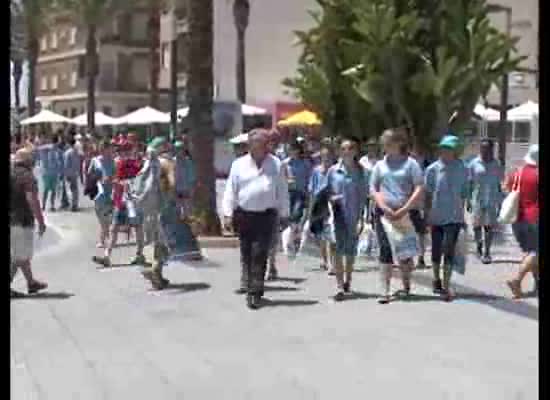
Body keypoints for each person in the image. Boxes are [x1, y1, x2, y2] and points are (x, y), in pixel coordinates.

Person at [222, 129, 290, 309]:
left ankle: (255, 291)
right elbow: (230, 190)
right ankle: (248, 280)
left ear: (267, 145)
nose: (259, 146)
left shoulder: (276, 164)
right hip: (244, 214)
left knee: (260, 253)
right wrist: (228, 213)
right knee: (246, 251)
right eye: (255, 143)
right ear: (249, 145)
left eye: (262, 143)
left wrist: (284, 214)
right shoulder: (238, 164)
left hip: (267, 215)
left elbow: (282, 190)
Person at [370, 128, 424, 304]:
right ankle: (384, 291)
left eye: (389, 143)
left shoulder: (411, 164)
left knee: (405, 251)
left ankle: (406, 284)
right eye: (384, 143)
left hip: (405, 212)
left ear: (399, 143)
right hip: (384, 213)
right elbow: (374, 188)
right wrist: (384, 206)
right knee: (385, 249)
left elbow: (419, 187)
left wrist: (406, 208)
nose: (386, 146)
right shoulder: (379, 165)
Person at [425, 135, 469, 301]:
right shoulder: (432, 169)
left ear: (455, 151)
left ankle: (446, 284)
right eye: (444, 148)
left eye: (449, 149)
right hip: (436, 216)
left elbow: (464, 192)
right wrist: (426, 215)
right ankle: (436, 278)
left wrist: (463, 215)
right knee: (436, 250)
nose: (446, 151)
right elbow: (428, 194)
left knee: (448, 250)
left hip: (454, 217)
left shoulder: (463, 168)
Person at [93, 139, 147, 268]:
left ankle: (139, 255)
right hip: (121, 202)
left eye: (123, 150)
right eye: (120, 150)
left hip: (132, 202)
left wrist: (121, 182)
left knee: (137, 227)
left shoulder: (137, 164)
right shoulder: (119, 163)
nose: (120, 152)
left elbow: (139, 181)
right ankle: (107, 256)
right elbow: (116, 179)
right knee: (114, 228)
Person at [326, 137, 368, 301]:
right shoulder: (333, 171)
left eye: (350, 148)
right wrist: (332, 197)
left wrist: (363, 218)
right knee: (337, 249)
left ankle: (348, 280)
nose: (346, 151)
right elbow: (326, 192)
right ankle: (339, 285)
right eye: (343, 149)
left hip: (354, 217)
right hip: (336, 216)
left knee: (350, 252)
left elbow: (365, 197)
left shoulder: (361, 172)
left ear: (356, 151)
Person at [10, 148, 48, 297]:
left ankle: (31, 282)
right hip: (22, 219)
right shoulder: (27, 176)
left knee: (22, 253)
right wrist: (41, 220)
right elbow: (32, 200)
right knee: (20, 255)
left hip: (12, 218)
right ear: (27, 161)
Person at [506, 144, 539, 299]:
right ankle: (517, 280)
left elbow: (506, 189)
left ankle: (537, 286)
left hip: (516, 219)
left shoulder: (517, 173)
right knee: (535, 252)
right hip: (533, 218)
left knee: (530, 252)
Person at [467, 139, 504, 264]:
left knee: (489, 226)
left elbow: (499, 183)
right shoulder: (473, 163)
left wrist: (500, 202)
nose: (484, 150)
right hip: (477, 198)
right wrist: (467, 199)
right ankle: (479, 244)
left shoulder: (497, 164)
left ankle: (487, 252)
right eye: (482, 148)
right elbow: (470, 182)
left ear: (492, 149)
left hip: (492, 199)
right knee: (477, 226)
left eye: (487, 148)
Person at [308, 143, 336, 272]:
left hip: (331, 202)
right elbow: (312, 190)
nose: (326, 158)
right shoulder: (316, 171)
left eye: (328, 156)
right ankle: (325, 260)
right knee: (320, 235)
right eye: (324, 156)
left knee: (329, 232)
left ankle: (331, 263)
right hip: (319, 203)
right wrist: (310, 209)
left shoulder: (336, 170)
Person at [88, 139, 116, 249]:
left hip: (110, 193)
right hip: (99, 192)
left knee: (107, 217)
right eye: (107, 149)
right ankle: (105, 237)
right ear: (102, 149)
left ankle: (103, 239)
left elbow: (116, 175)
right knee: (101, 217)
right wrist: (98, 179)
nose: (109, 151)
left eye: (109, 149)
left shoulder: (112, 161)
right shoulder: (95, 161)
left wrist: (111, 179)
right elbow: (90, 175)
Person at [37, 135, 63, 212]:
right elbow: (38, 149)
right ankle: (44, 205)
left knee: (52, 190)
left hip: (52, 173)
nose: (59, 142)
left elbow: (60, 162)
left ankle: (50, 205)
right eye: (59, 140)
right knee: (47, 190)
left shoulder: (58, 150)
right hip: (48, 173)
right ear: (57, 141)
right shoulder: (48, 149)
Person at [63, 137, 81, 212]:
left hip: (69, 173)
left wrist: (66, 174)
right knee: (75, 190)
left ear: (69, 144)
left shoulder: (67, 153)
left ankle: (72, 206)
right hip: (75, 173)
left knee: (70, 190)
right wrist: (78, 172)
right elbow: (78, 163)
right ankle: (75, 205)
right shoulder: (77, 152)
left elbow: (66, 164)